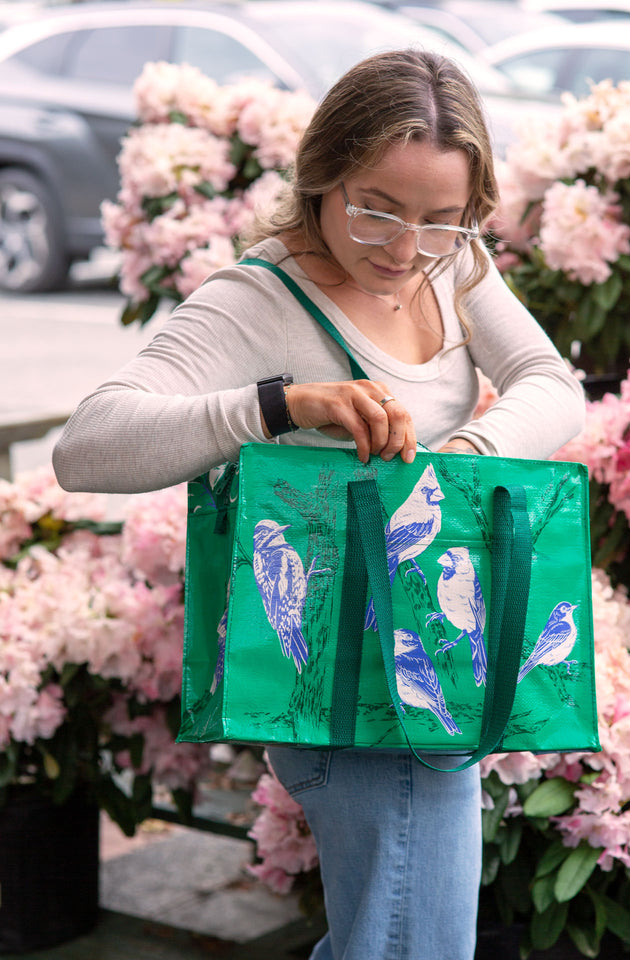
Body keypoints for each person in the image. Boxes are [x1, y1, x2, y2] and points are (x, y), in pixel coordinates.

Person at [54, 48, 585, 960]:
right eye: (376, 209)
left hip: (435, 671)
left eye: (441, 221)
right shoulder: (258, 301)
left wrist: (466, 455)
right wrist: (277, 404)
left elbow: (549, 379)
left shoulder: (453, 269)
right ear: (322, 173)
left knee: (390, 939)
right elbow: (86, 445)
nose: (404, 249)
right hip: (353, 685)